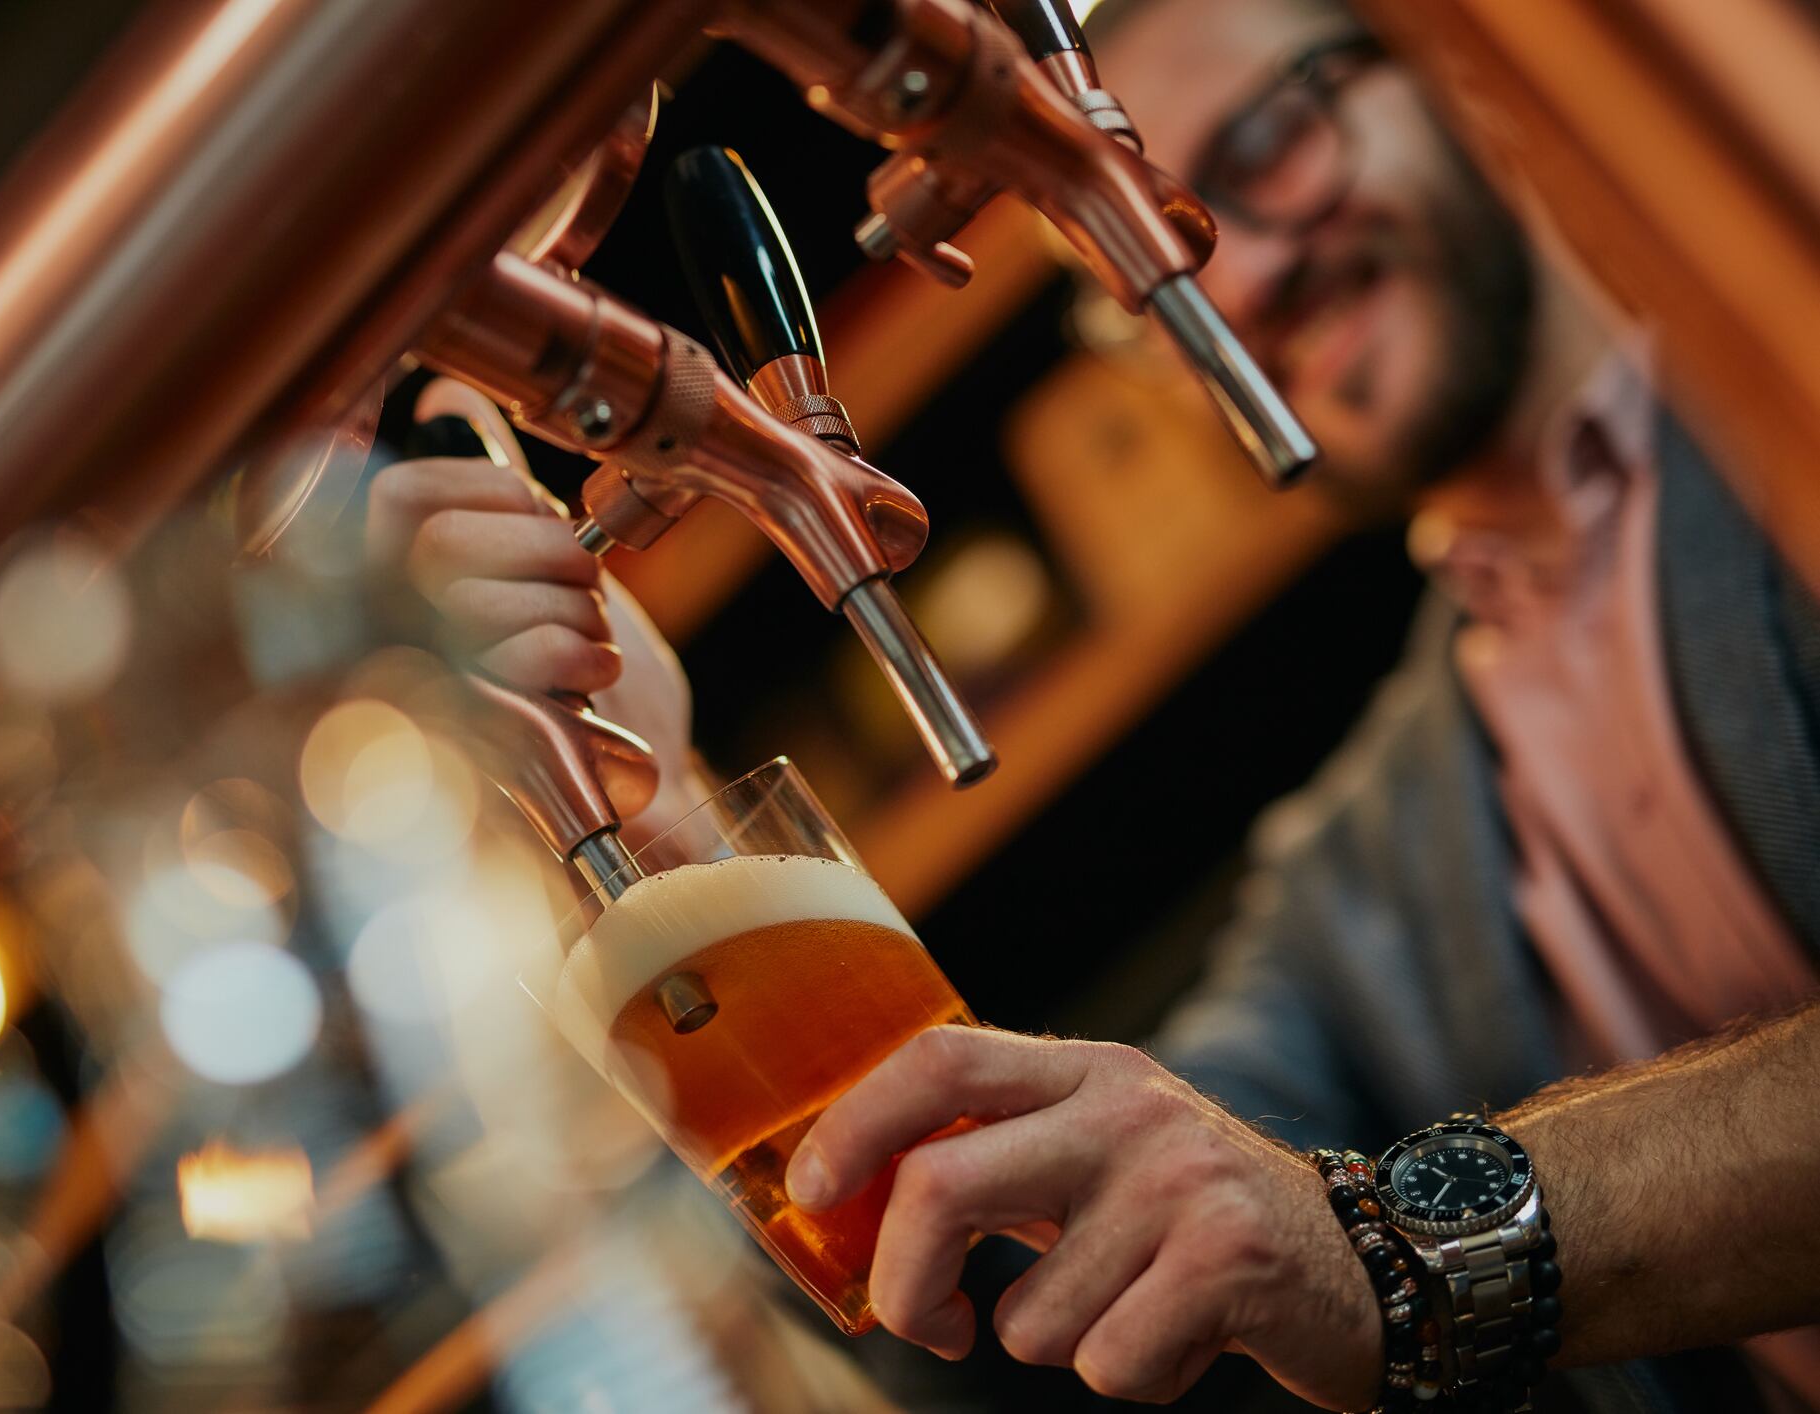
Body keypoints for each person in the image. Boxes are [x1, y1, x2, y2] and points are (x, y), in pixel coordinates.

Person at [369, 0, 1820, 1405]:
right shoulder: (1376, 848)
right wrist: (674, 831)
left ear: (1458, 71)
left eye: (1262, 149)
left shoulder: (1785, 417)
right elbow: (1025, 1288)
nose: (1240, 275)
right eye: (1135, 276)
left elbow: (1344, 1252)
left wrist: (1393, 1259)